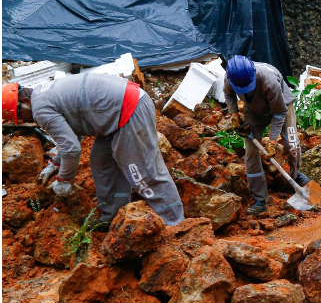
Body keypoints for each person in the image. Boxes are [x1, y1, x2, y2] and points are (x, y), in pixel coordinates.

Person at [2, 75, 185, 226]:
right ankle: (112, 217)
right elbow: (72, 136)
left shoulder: (40, 109)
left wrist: (64, 180)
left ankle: (176, 224)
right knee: (102, 163)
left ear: (25, 102)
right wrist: (55, 163)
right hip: (116, 112)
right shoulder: (41, 94)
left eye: (20, 116)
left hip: (128, 109)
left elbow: (72, 149)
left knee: (142, 173)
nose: (24, 121)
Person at [223, 55, 310, 215]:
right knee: (251, 153)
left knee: (291, 145)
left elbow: (280, 112)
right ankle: (259, 199)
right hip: (254, 110)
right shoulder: (230, 78)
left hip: (282, 107)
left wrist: (272, 140)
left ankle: (295, 174)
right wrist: (234, 114)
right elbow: (228, 94)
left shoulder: (269, 81)